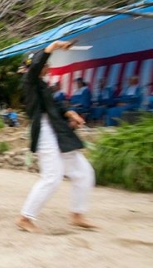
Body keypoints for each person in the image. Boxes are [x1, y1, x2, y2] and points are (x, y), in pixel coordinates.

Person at [16, 40, 97, 233]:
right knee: (52, 176)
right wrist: (54, 46)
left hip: (57, 130)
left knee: (84, 173)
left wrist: (70, 114)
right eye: (46, 64)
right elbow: (36, 65)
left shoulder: (42, 85)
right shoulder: (30, 81)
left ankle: (77, 214)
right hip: (44, 131)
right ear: (36, 66)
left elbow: (55, 106)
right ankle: (25, 217)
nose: (48, 66)